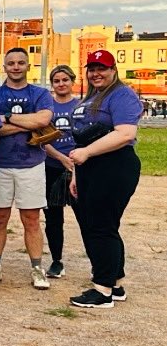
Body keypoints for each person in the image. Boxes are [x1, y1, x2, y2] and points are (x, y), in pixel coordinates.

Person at [68, 50, 141, 309]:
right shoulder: (92, 97)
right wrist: (77, 173)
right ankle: (115, 282)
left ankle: (103, 290)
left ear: (114, 70)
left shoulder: (122, 95)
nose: (96, 73)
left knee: (101, 226)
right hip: (90, 167)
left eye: (103, 68)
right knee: (99, 225)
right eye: (92, 68)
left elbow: (124, 134)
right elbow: (82, 139)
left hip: (114, 165)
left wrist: (87, 153)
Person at [0, 48, 54, 290]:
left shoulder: (40, 93)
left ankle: (37, 267)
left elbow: (43, 121)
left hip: (31, 164)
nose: (16, 67)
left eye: (21, 63)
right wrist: (27, 122)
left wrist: (6, 118)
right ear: (4, 67)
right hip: (0, 164)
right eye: (11, 63)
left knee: (32, 219)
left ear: (28, 66)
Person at [41, 65, 78, 280]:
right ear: (52, 84)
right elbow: (41, 140)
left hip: (77, 168)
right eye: (57, 81)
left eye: (65, 80)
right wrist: (60, 158)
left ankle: (96, 261)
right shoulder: (47, 107)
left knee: (85, 216)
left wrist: (74, 159)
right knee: (53, 218)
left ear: (72, 81)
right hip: (52, 166)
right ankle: (57, 261)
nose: (61, 84)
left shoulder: (81, 106)